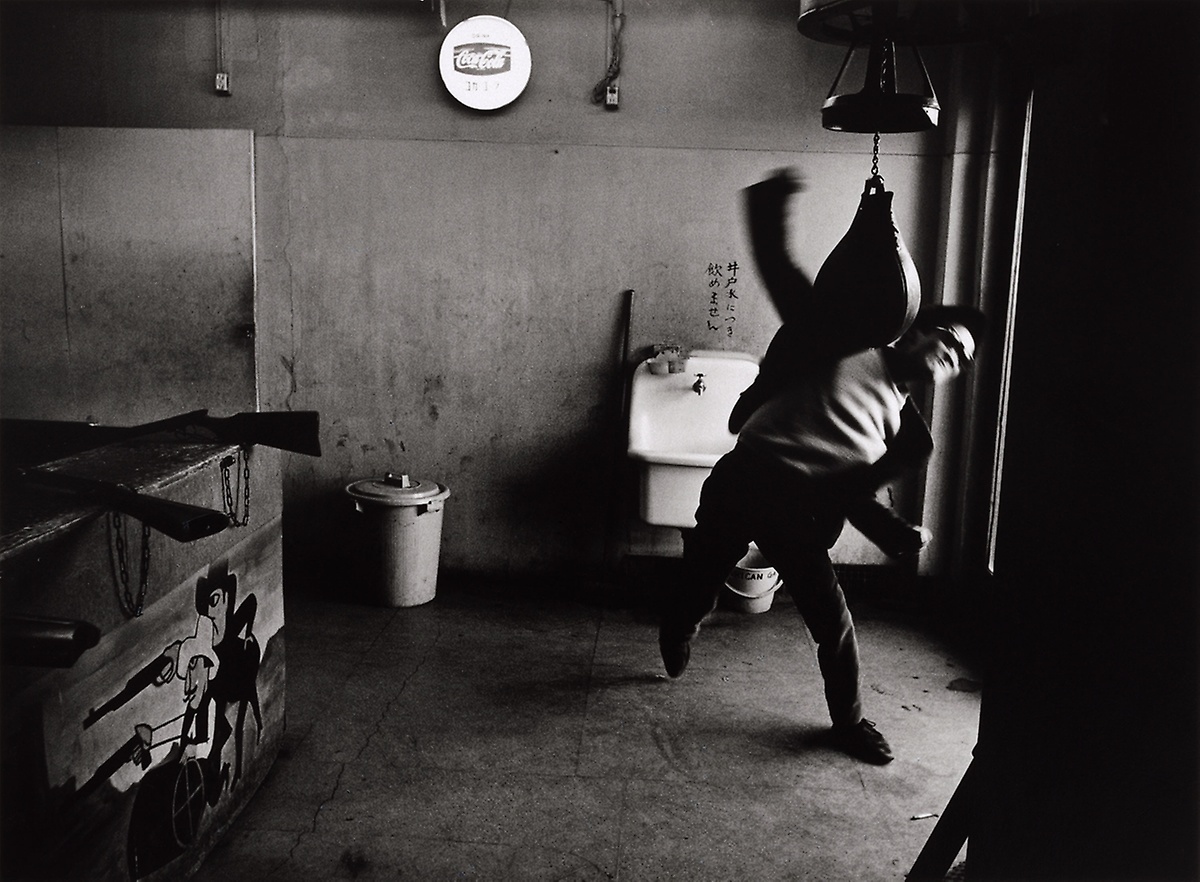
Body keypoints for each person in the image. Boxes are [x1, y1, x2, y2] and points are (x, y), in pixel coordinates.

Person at [657, 168, 986, 765]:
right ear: (913, 328)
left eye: (960, 356)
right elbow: (786, 278)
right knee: (700, 581)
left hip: (800, 510)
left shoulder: (906, 431)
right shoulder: (845, 343)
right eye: (944, 336)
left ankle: (849, 723)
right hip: (746, 477)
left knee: (833, 624)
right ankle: (679, 625)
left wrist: (892, 532)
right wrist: (770, 208)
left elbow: (853, 490)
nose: (949, 353)